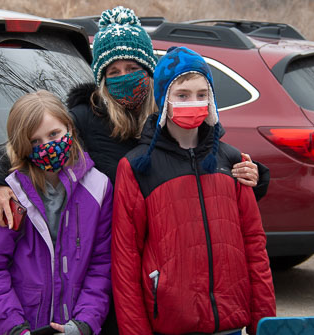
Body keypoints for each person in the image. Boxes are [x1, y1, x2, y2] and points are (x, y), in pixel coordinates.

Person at [0, 6, 268, 335]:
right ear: (100, 78)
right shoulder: (85, 119)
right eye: (113, 71)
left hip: (169, 272)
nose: (123, 77)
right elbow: (28, 140)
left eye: (132, 68)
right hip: (109, 267)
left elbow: (209, 163)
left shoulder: (171, 114)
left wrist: (255, 178)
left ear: (150, 71)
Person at [111, 47, 276, 335]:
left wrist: (265, 324)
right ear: (164, 99)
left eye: (202, 94)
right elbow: (125, 259)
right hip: (172, 323)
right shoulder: (137, 167)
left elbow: (254, 246)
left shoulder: (232, 160)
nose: (194, 102)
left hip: (230, 321)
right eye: (183, 95)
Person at [0, 90, 113, 335]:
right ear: (22, 145)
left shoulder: (98, 187)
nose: (47, 146)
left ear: (69, 128)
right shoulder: (10, 193)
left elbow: (101, 265)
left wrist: (84, 323)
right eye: (35, 142)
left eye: (54, 134)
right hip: (16, 327)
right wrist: (14, 328)